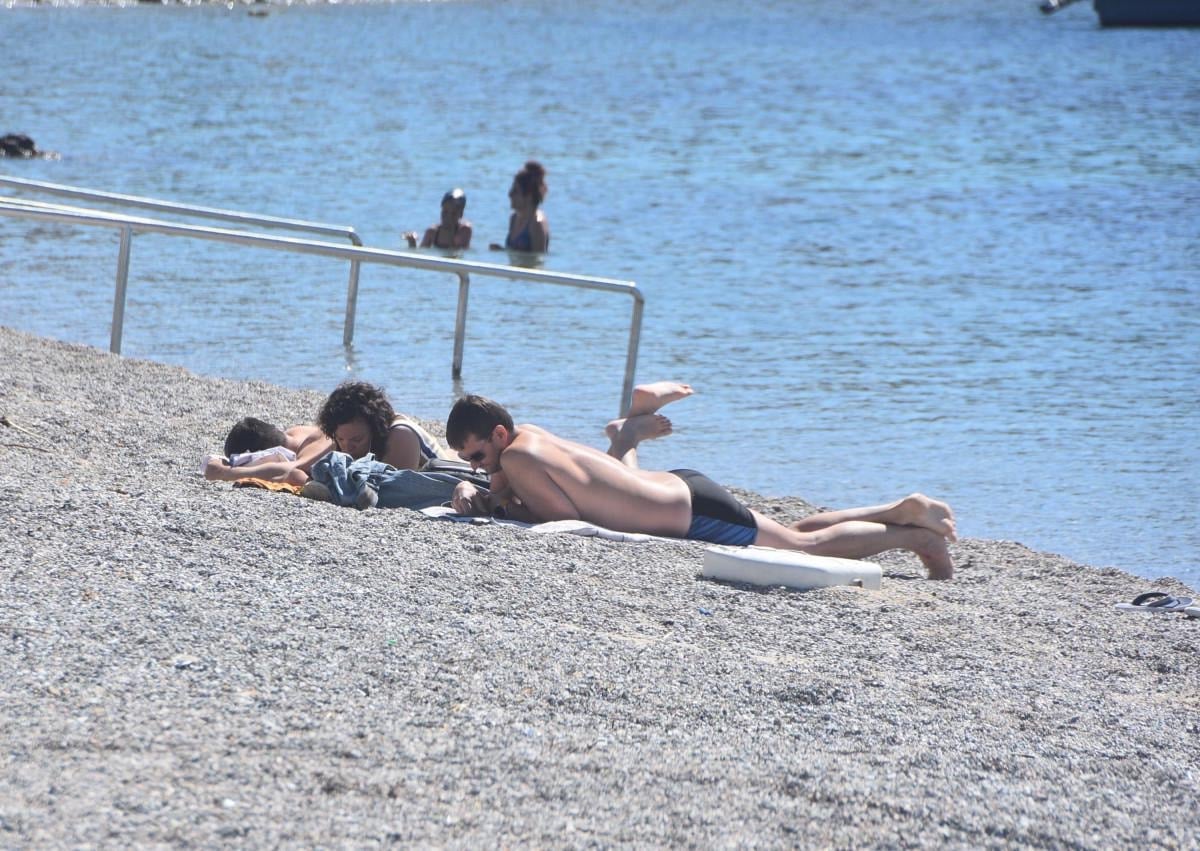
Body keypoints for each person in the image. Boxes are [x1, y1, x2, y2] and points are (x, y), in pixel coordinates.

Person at [444, 394, 958, 580]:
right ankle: (900, 509)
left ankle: (911, 532)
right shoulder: (530, 438)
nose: (479, 467)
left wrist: (495, 508)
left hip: (690, 514)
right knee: (794, 530)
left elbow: (560, 519)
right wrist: (492, 491)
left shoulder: (518, 458)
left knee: (804, 546)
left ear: (498, 435)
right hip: (682, 488)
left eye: (478, 456)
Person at [316, 380, 454, 472]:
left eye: (357, 440)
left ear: (374, 429)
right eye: (340, 439)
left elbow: (391, 489)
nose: (347, 448)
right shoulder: (349, 437)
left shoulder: (401, 435)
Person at [202, 417, 333, 485]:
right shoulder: (297, 431)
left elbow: (288, 471)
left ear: (262, 455)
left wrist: (227, 473)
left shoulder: (311, 451)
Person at [489, 160, 550, 252]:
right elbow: (515, 252)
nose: (510, 194)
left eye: (515, 191)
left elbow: (539, 258)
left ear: (529, 196)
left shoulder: (537, 223)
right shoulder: (514, 218)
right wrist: (502, 250)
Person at [404, 188, 472, 250]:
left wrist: (451, 230)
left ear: (461, 214)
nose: (448, 217)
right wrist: (412, 242)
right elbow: (421, 253)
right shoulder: (432, 232)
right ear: (441, 210)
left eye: (453, 214)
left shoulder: (464, 230)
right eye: (445, 212)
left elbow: (458, 250)